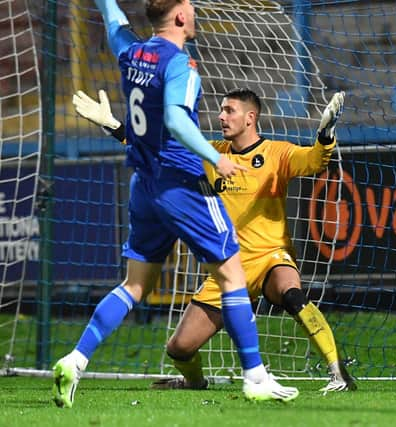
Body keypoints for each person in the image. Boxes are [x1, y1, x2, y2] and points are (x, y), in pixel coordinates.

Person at [51, 0, 299, 408]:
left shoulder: (132, 52)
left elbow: (114, 23)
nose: (196, 13)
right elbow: (176, 120)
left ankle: (75, 360)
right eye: (191, 7)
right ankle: (255, 376)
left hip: (143, 185)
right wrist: (215, 156)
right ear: (181, 17)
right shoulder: (181, 64)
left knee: (134, 285)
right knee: (233, 274)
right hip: (182, 183)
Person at [73, 87, 356, 393]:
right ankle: (194, 382)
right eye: (221, 110)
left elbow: (315, 160)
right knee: (179, 348)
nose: (221, 116)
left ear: (251, 117)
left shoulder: (277, 153)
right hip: (228, 267)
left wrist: (325, 133)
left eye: (229, 110)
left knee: (291, 293)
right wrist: (112, 125)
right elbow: (157, 151)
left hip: (271, 257)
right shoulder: (210, 154)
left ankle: (339, 372)